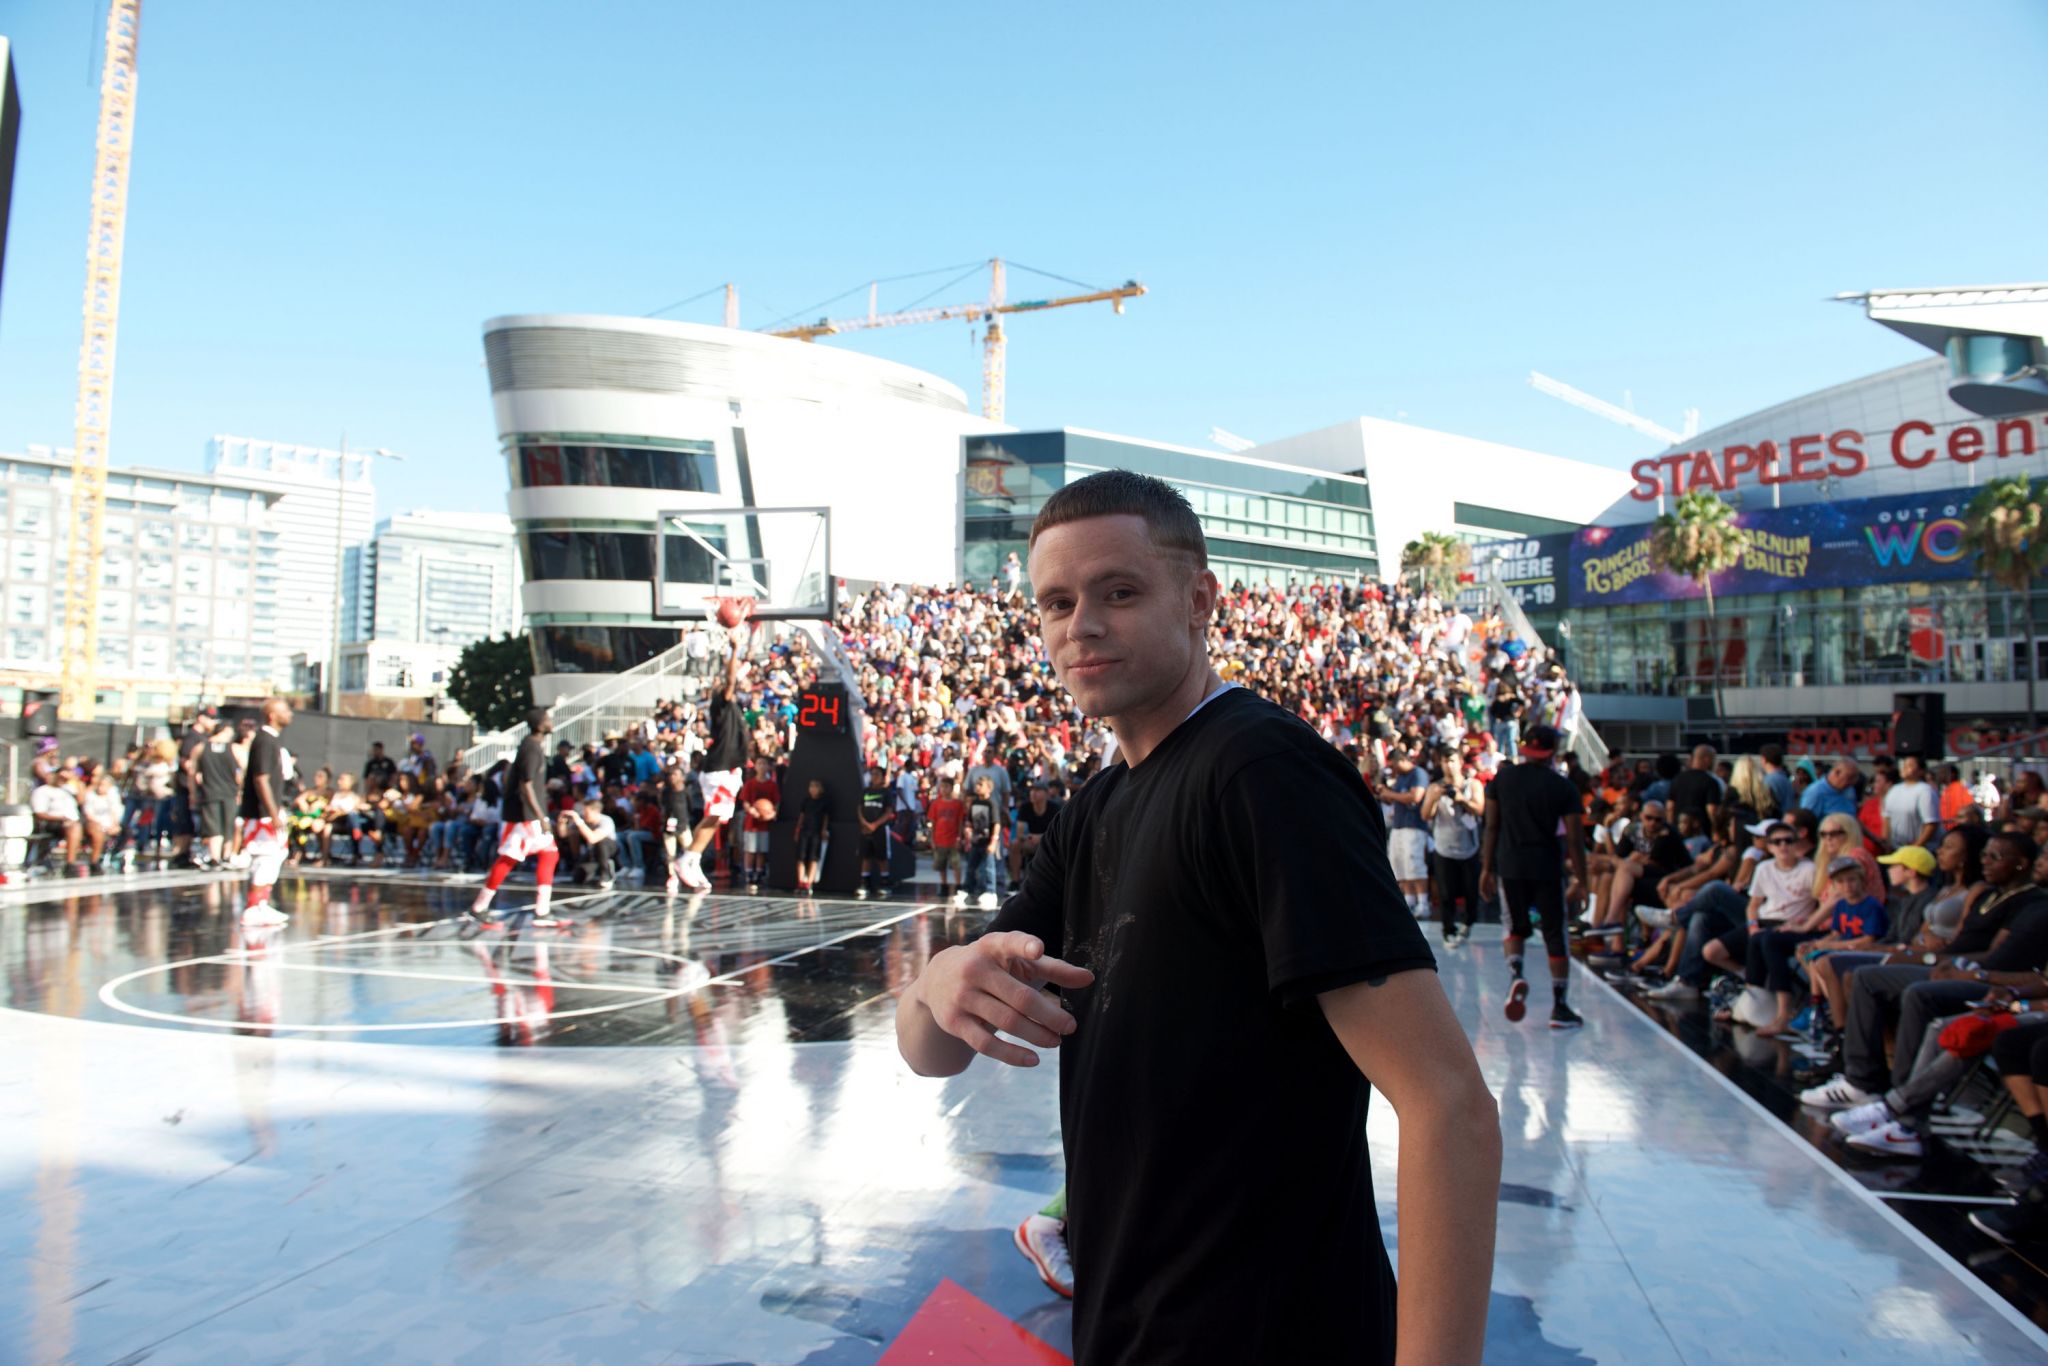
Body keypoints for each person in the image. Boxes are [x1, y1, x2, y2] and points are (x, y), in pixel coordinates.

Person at [896, 470, 1498, 1364]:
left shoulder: (1262, 775)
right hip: (1130, 1328)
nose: (1082, 626)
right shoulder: (1096, 808)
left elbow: (1447, 1102)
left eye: (1120, 592)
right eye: (1056, 603)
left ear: (1200, 599)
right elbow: (931, 1049)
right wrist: (940, 977)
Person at [1481, 724, 1589, 1028]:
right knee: (1556, 934)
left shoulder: (1503, 779)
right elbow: (1575, 840)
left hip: (1510, 865)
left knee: (1513, 926)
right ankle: (1560, 1006)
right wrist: (1582, 880)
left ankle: (1516, 974)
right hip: (1547, 867)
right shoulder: (1562, 786)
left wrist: (1487, 868)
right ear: (1552, 751)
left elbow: (1491, 826)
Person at [468, 707, 565, 927]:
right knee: (508, 859)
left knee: (549, 854)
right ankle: (480, 907)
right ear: (540, 725)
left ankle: (542, 911)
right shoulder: (530, 748)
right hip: (523, 816)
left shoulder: (532, 746)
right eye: (548, 719)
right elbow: (525, 785)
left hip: (527, 814)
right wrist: (542, 816)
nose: (551, 722)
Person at [677, 631, 749, 893]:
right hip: (720, 767)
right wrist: (734, 649)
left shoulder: (728, 707)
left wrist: (746, 647)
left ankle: (692, 859)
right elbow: (731, 679)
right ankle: (687, 859)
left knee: (716, 818)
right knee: (715, 815)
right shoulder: (721, 702)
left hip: (726, 769)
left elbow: (738, 675)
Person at [237, 698, 295, 927]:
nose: (290, 714)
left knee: (274, 856)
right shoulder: (265, 740)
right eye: (285, 710)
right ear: (272, 715)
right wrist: (272, 813)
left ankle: (260, 904)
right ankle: (253, 907)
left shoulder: (271, 740)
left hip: (267, 811)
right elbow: (261, 779)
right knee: (265, 857)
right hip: (262, 813)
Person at [1423, 745, 1485, 947]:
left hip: (1469, 848)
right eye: (1444, 761)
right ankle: (1448, 929)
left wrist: (1462, 800)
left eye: (1452, 761)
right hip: (1444, 848)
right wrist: (1433, 798)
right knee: (1446, 892)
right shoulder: (1434, 787)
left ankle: (1468, 922)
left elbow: (1479, 809)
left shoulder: (1472, 784)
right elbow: (1425, 815)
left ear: (1460, 763)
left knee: (1471, 891)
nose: (1448, 766)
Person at [1372, 748, 1432, 919]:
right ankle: (1409, 901)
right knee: (1399, 865)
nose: (1394, 769)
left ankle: (1423, 903)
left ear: (1401, 760)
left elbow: (1415, 797)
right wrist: (1384, 794)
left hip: (1414, 825)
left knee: (1414, 864)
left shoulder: (1418, 773)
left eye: (1394, 765)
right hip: (1399, 824)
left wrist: (1390, 793)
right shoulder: (1401, 777)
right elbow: (1396, 798)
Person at [196, 721, 242, 869]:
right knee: (228, 824)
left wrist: (193, 792)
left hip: (210, 791)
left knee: (213, 824)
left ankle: (215, 857)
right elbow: (241, 772)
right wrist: (241, 790)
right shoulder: (235, 749)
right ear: (226, 730)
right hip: (229, 792)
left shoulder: (201, 747)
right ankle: (226, 856)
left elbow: (194, 773)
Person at [736, 755, 780, 894]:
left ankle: (759, 873)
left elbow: (776, 802)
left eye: (764, 764)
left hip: (765, 823)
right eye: (759, 763)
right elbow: (745, 802)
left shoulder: (772, 785)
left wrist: (772, 813)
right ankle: (749, 873)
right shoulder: (750, 783)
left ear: (768, 767)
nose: (761, 766)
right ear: (755, 767)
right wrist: (752, 810)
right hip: (752, 822)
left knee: (761, 850)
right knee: (750, 849)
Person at [1882, 754, 1941, 852]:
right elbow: (1887, 819)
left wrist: (1916, 847)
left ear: (1920, 771)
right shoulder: (1894, 790)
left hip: (1920, 850)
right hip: (1896, 849)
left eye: (1910, 765)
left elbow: (1931, 824)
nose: (1905, 768)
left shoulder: (1925, 791)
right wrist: (1886, 842)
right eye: (1904, 765)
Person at [1009, 781, 1062, 888]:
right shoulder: (1025, 807)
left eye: (1037, 790)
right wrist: (1030, 837)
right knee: (1015, 844)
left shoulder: (1055, 808)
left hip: (1050, 844)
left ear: (1046, 794)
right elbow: (1020, 833)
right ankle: (1015, 881)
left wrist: (1042, 837)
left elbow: (1059, 833)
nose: (1033, 793)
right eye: (1032, 790)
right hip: (1032, 842)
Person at [856, 763, 895, 901]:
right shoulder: (865, 791)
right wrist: (864, 823)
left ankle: (885, 882)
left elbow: (888, 812)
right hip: (866, 828)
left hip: (880, 829)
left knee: (881, 856)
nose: (874, 777)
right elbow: (859, 808)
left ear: (883, 777)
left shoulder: (886, 793)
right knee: (865, 855)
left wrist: (875, 825)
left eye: (877, 774)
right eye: (872, 774)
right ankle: (864, 882)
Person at [30, 771, 84, 868]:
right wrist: (61, 818)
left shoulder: (68, 789)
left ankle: (94, 863)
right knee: (74, 828)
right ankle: (70, 864)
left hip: (74, 821)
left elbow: (81, 801)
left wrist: (76, 780)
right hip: (54, 822)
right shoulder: (42, 791)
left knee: (94, 828)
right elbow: (39, 813)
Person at [565, 798, 619, 889]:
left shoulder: (606, 821)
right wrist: (561, 822)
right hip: (593, 852)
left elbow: (593, 839)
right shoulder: (583, 820)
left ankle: (606, 875)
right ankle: (597, 869)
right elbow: (564, 834)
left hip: (610, 849)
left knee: (601, 843)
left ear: (596, 811)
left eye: (587, 812)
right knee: (578, 877)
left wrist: (579, 822)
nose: (584, 815)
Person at [927, 778, 965, 902]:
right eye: (942, 787)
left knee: (956, 864)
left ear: (952, 788)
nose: (944, 789)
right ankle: (944, 885)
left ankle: (959, 886)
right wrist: (932, 840)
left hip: (953, 839)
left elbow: (960, 822)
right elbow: (932, 823)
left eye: (947, 787)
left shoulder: (958, 804)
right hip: (939, 839)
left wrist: (959, 837)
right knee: (941, 864)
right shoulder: (935, 804)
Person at [793, 777, 831, 895]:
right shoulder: (806, 801)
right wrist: (797, 829)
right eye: (811, 786)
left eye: (816, 786)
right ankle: (800, 881)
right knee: (801, 857)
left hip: (816, 832)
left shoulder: (824, 802)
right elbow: (802, 816)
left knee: (813, 857)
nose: (813, 789)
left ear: (821, 789)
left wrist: (824, 830)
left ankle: (809, 882)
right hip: (805, 831)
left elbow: (826, 817)